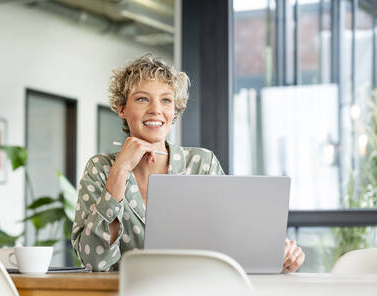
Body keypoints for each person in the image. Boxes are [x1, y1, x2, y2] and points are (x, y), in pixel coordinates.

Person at [71, 54, 305, 273]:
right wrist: (120, 170)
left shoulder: (201, 163)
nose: (156, 110)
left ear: (174, 111)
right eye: (142, 99)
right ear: (122, 108)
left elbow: (232, 241)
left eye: (166, 100)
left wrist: (277, 256)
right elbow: (95, 261)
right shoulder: (101, 169)